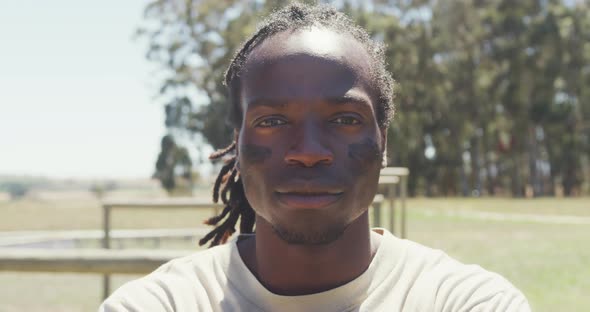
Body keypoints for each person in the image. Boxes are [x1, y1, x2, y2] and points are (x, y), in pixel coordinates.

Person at [100, 3, 530, 311]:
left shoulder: (467, 301)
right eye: (272, 121)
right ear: (238, 145)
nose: (308, 152)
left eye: (344, 119)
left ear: (384, 143)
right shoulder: (161, 303)